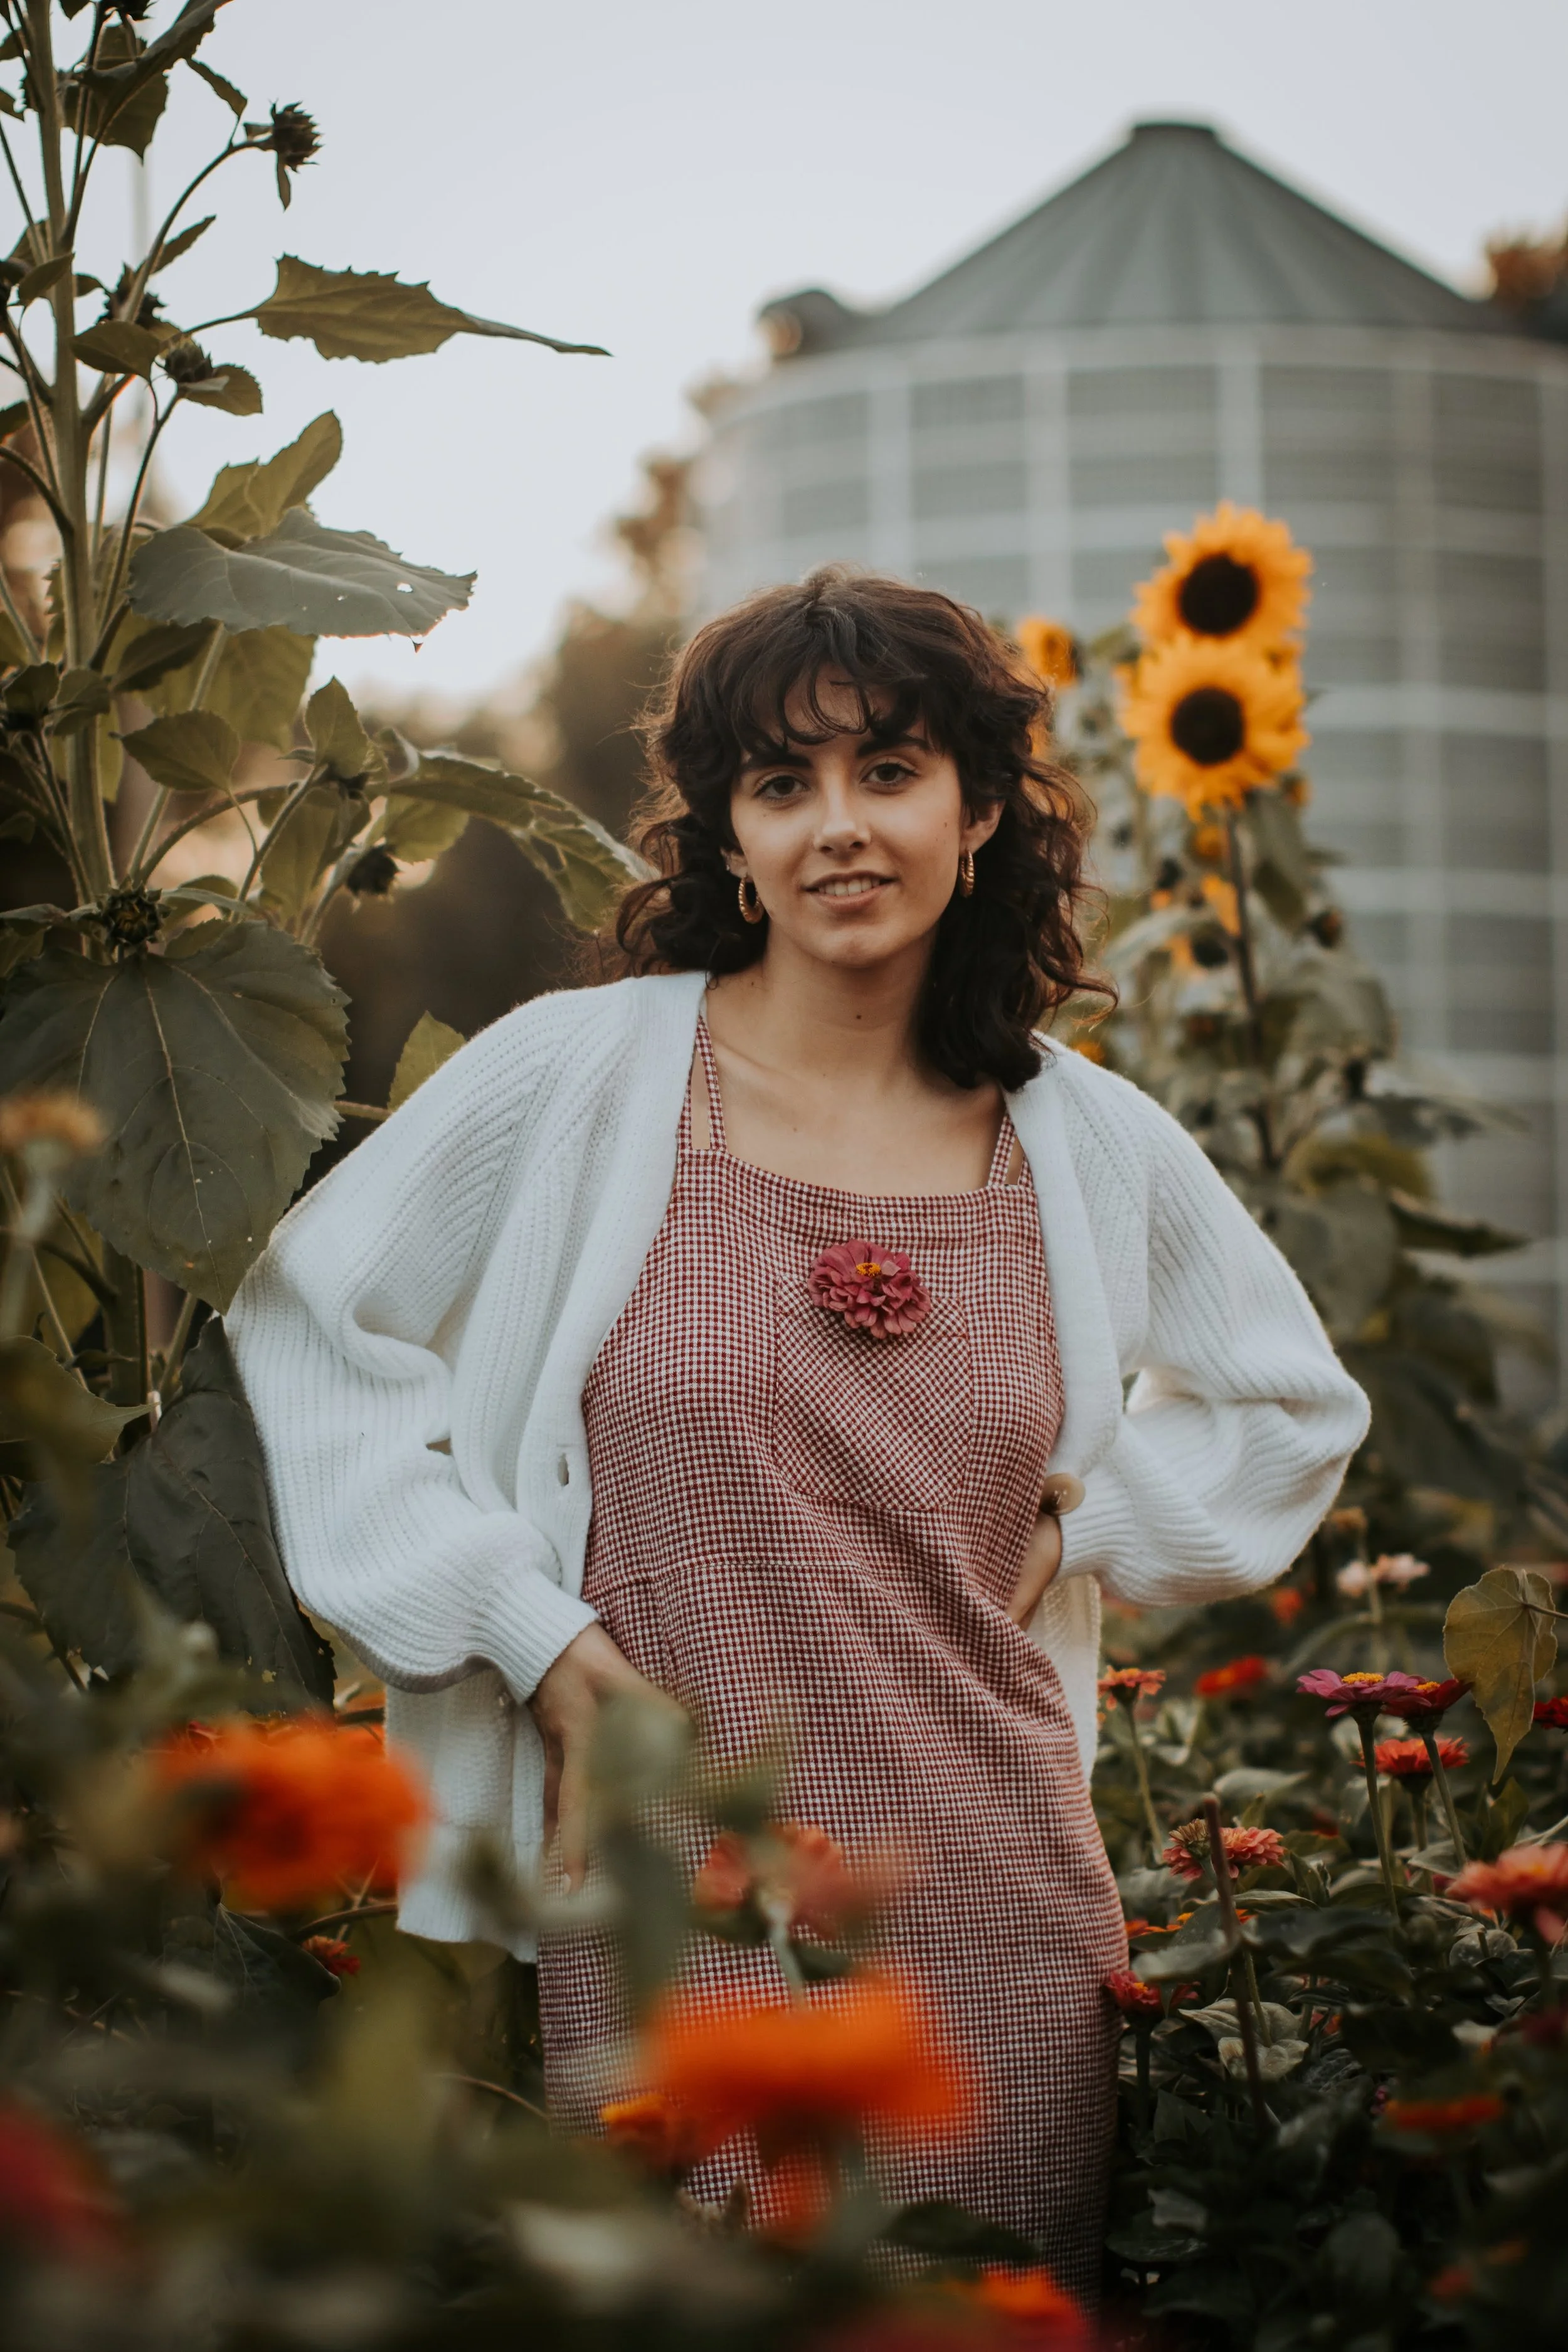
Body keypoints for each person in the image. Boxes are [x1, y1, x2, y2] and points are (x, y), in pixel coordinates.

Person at [227, 568, 1368, 2291]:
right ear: (729, 837)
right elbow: (309, 1317)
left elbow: (1291, 1405)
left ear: (980, 811)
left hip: (994, 1897)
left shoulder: (1086, 1142)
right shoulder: (577, 1080)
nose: (838, 826)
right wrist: (529, 1635)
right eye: (781, 784)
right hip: (670, 1885)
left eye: (889, 771)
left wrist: (1084, 1529)